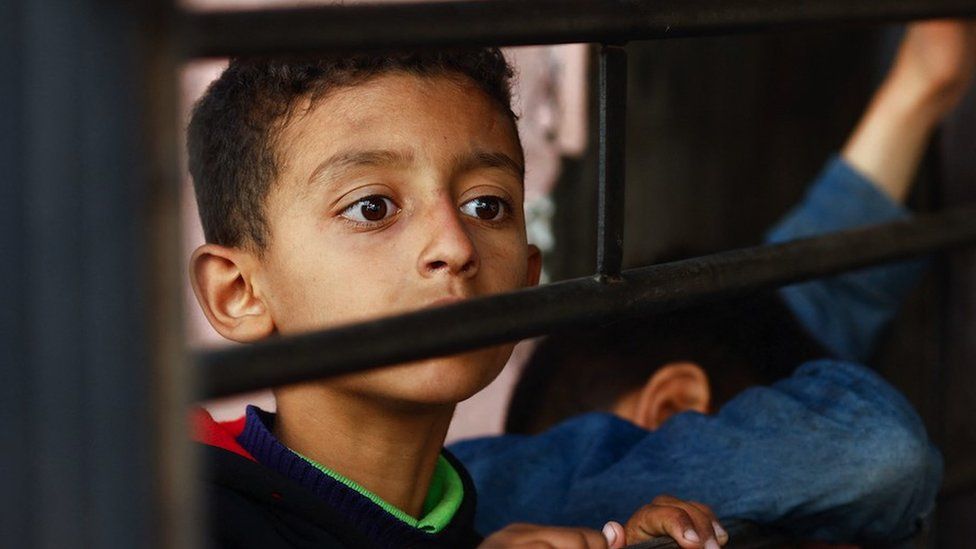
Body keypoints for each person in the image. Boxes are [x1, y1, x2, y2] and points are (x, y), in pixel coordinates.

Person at [449, 19, 976, 547]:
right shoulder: (508, 503)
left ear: (675, 407)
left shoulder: (508, 491)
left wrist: (924, 85)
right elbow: (870, 454)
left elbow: (805, 303)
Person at [186, 50, 728, 548]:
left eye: (487, 207)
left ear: (527, 278)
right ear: (239, 293)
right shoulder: (168, 513)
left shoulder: (469, 531)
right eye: (372, 208)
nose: (454, 246)